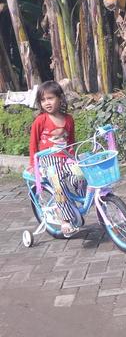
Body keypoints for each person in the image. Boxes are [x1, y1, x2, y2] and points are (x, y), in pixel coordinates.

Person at [29, 80, 85, 237]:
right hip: (48, 159)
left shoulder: (68, 119)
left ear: (60, 98)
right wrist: (33, 164)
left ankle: (79, 201)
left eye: (50, 98)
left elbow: (71, 141)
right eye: (43, 100)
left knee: (81, 174)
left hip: (66, 157)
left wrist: (74, 158)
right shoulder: (40, 120)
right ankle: (65, 220)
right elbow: (33, 143)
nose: (47, 103)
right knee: (58, 182)